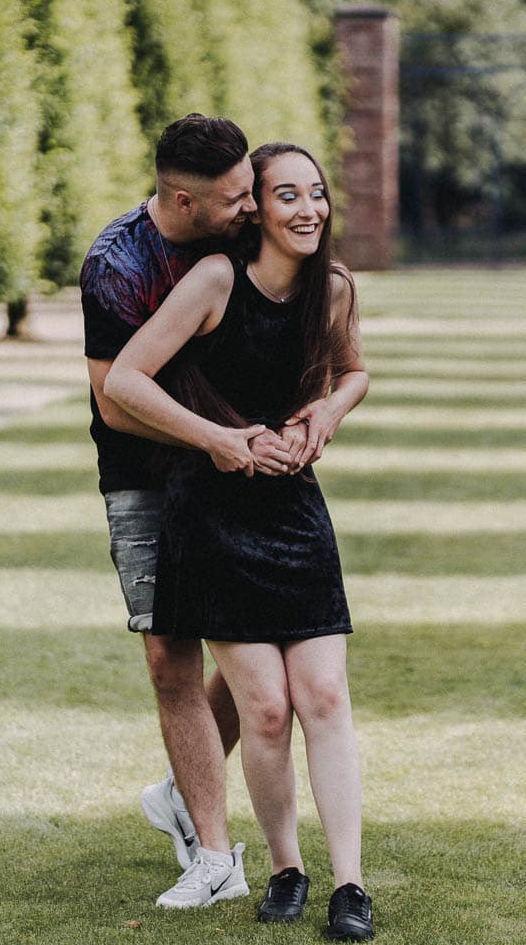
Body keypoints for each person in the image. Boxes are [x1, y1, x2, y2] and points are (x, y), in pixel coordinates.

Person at [103, 142, 374, 940]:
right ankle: (286, 868)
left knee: (323, 695)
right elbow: (125, 379)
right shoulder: (217, 281)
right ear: (254, 207)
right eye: (287, 194)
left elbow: (354, 372)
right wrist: (216, 438)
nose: (307, 209)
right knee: (263, 710)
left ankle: (349, 887)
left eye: (317, 193)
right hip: (212, 516)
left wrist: (327, 412)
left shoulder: (334, 288)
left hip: (293, 512)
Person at [81, 114, 304, 909]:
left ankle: (183, 788)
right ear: (183, 200)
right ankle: (215, 854)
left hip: (239, 473)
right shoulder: (117, 266)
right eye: (237, 196)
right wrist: (210, 437)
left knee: (258, 666)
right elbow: (116, 404)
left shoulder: (241, 238)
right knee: (170, 657)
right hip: (146, 477)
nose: (252, 207)